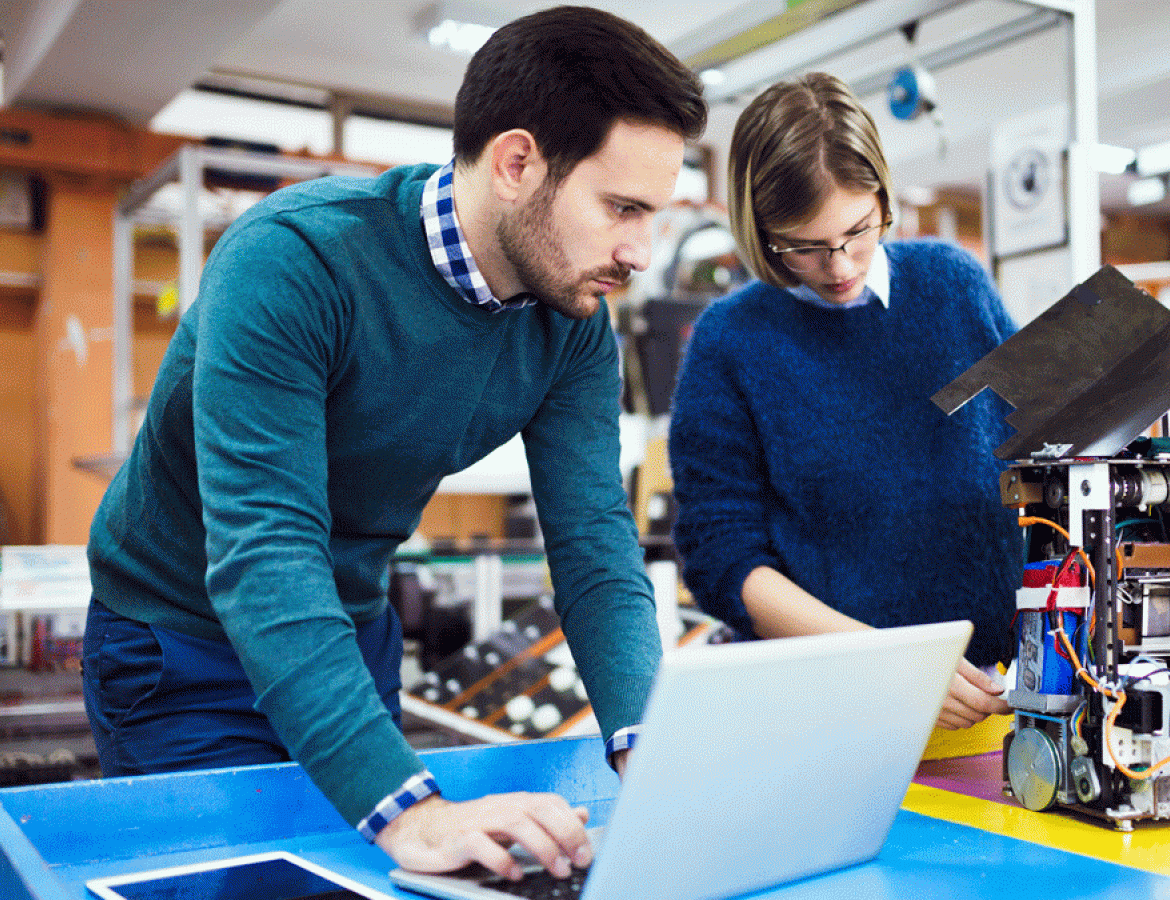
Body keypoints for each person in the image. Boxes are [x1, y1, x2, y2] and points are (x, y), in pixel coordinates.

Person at [81, 6, 706, 883]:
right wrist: (409, 812)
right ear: (517, 163)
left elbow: (597, 549)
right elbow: (267, 551)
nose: (641, 251)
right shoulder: (295, 263)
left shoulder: (570, 322)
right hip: (182, 643)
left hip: (347, 634)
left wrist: (648, 752)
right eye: (621, 208)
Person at [668, 73, 1022, 732]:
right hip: (834, 714)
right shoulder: (731, 341)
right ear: (759, 229)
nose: (839, 266)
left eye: (858, 230)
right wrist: (888, 664)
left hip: (1002, 701)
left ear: (883, 196)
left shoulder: (954, 284)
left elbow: (1038, 457)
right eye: (803, 246)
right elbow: (723, 557)